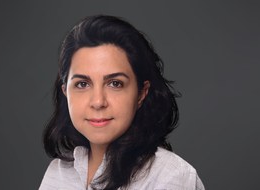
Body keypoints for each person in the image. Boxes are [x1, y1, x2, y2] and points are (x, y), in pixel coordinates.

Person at [39, 15, 205, 190]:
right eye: (82, 84)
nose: (98, 102)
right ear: (66, 92)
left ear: (141, 93)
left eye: (115, 83)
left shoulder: (171, 177)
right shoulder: (57, 173)